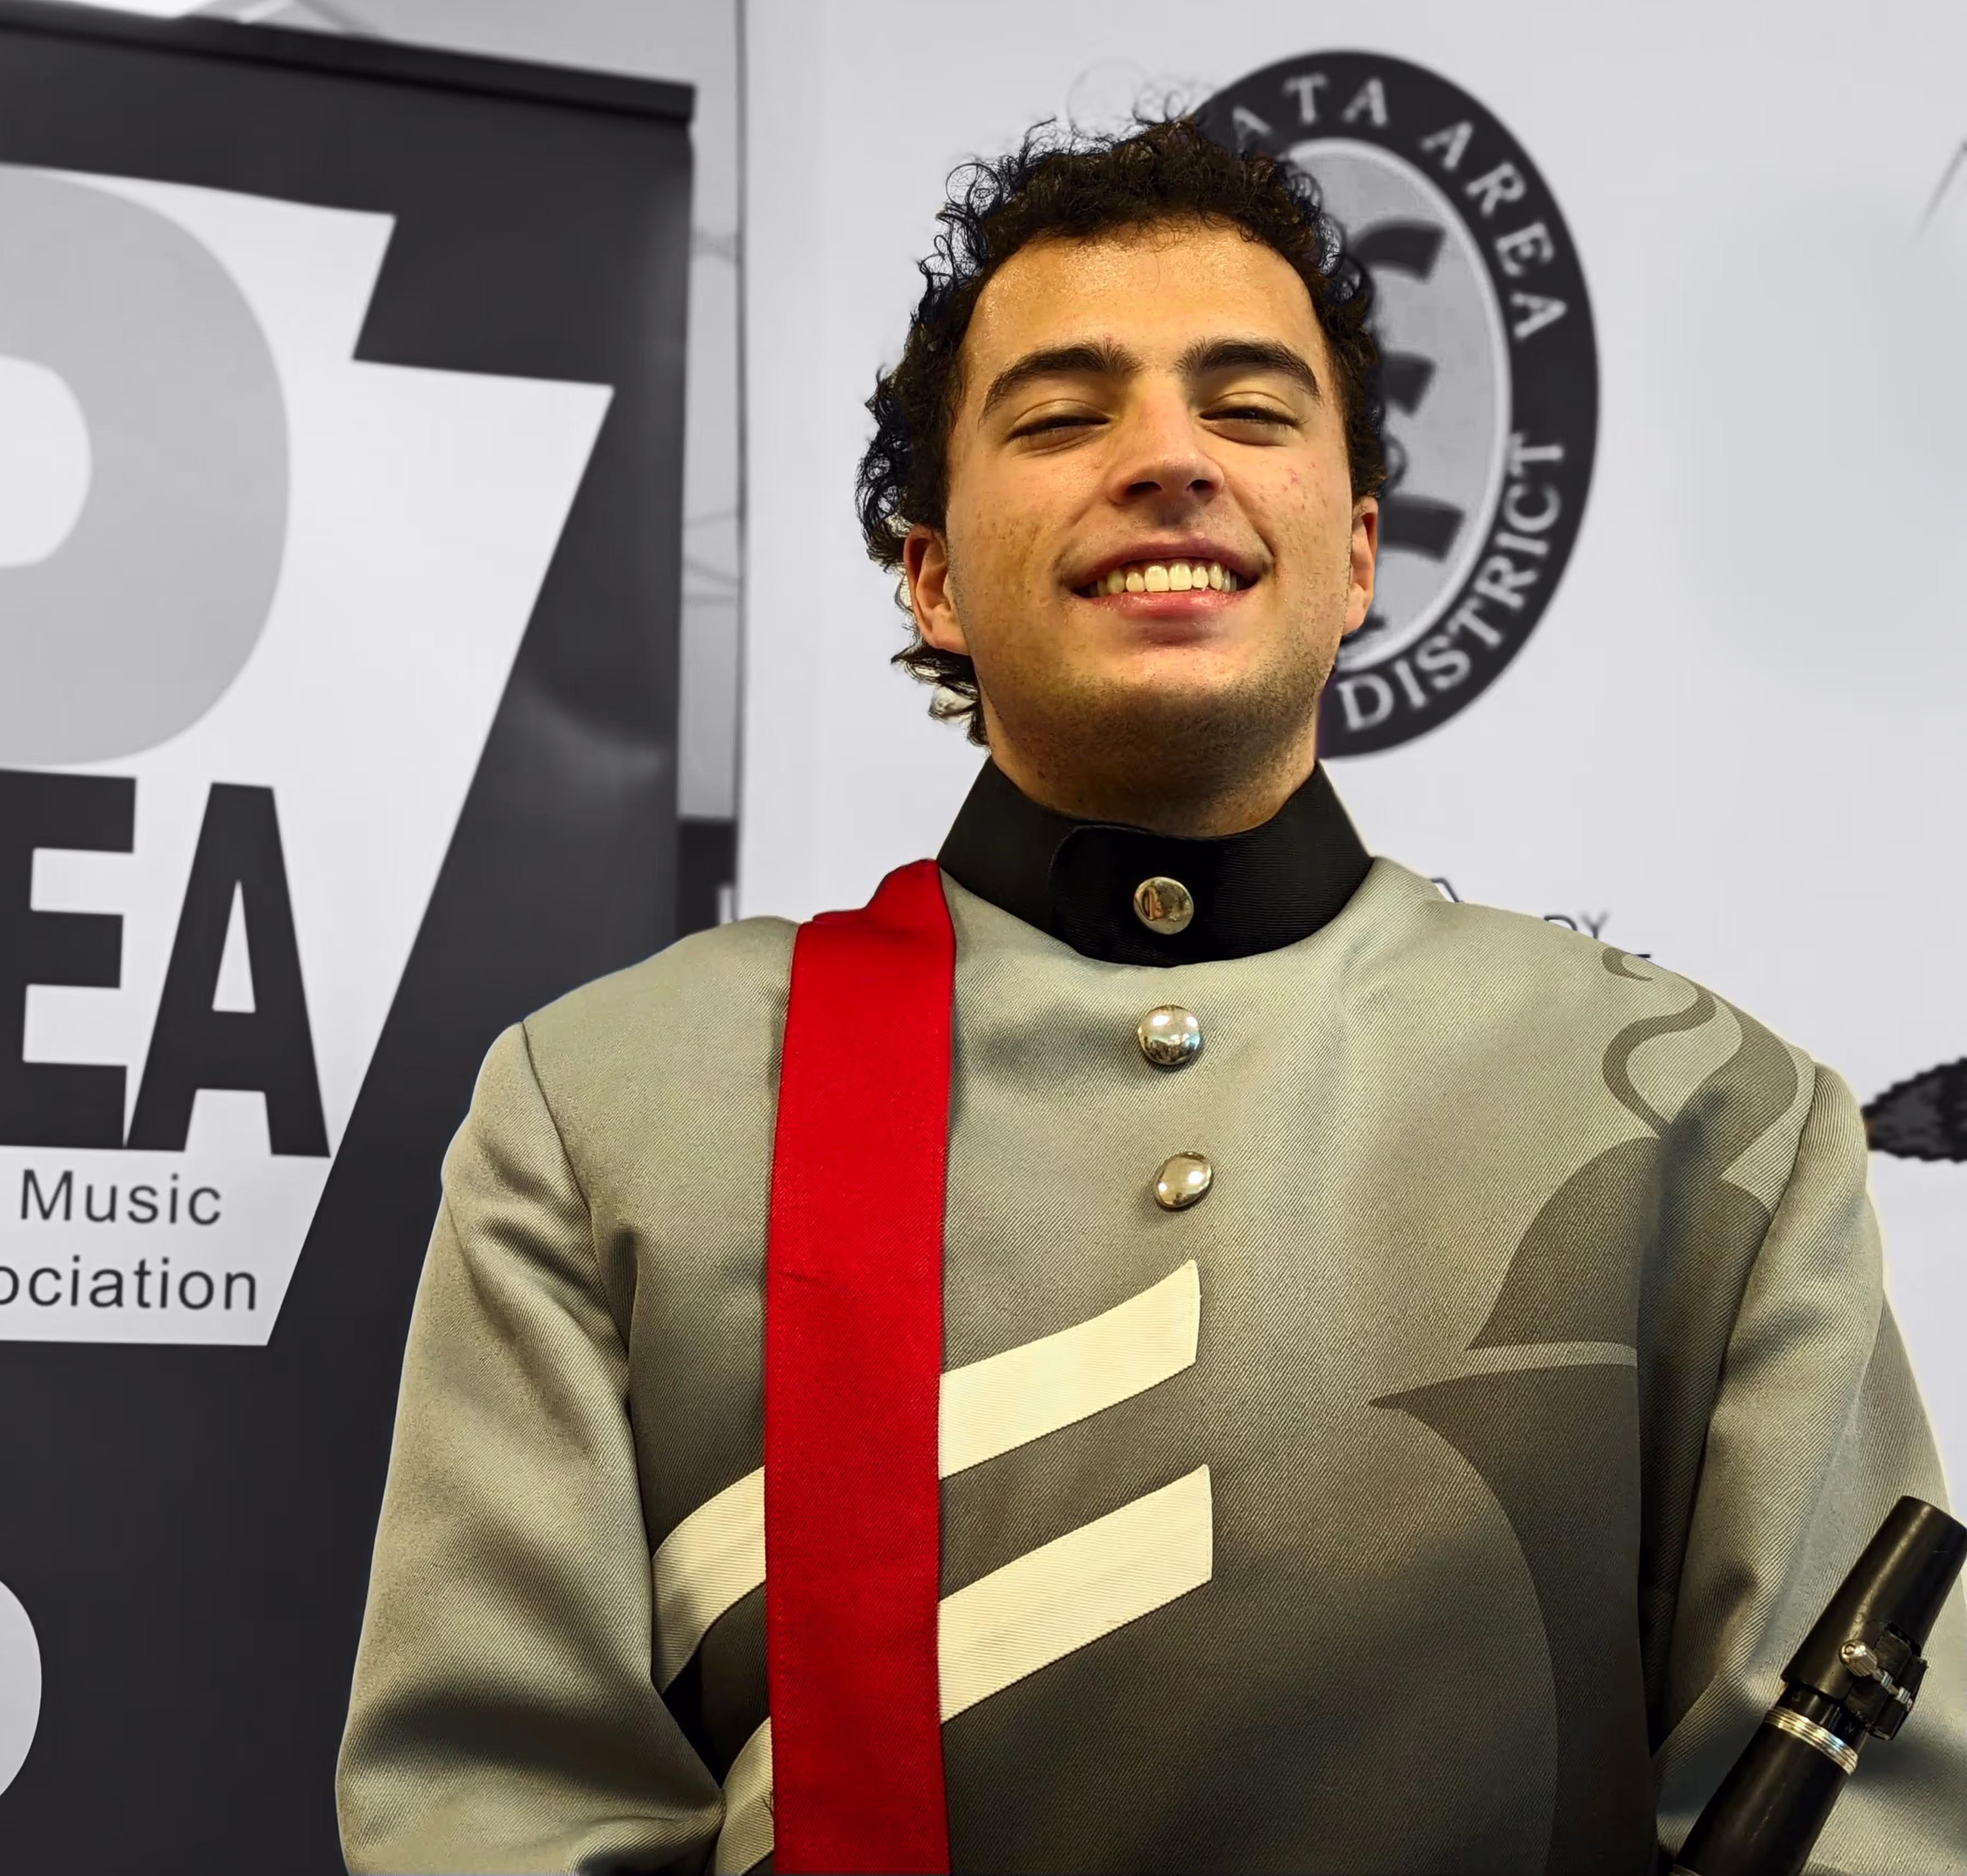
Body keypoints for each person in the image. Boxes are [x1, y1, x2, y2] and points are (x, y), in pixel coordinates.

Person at [333, 116, 1967, 1873]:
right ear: (932, 573)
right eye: (1061, 414)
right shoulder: (601, 1108)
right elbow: (494, 1817)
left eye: (1250, 409)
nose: (1169, 458)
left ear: (1352, 556)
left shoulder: (1710, 1119)